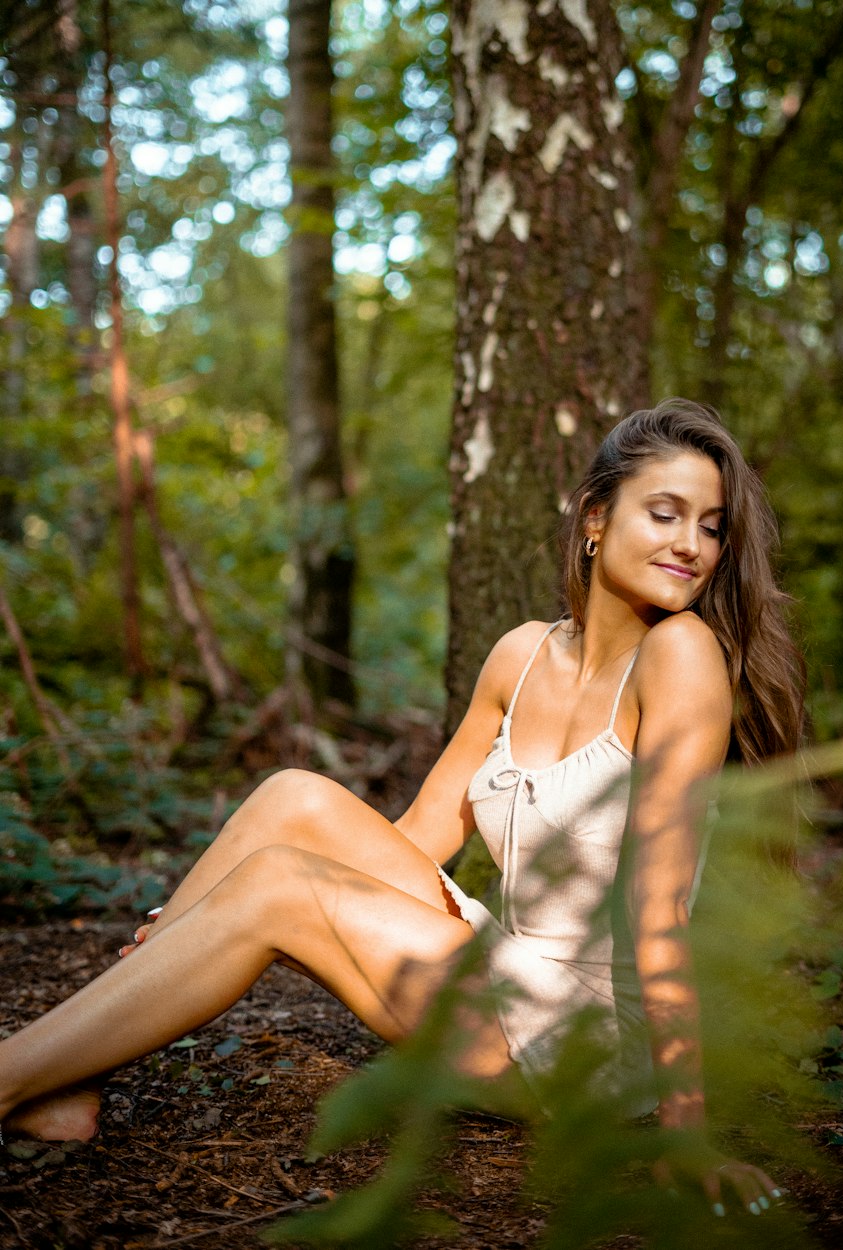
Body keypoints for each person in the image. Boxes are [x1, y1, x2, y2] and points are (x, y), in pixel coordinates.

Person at [0, 398, 802, 1217]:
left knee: (279, 884)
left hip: (594, 1037)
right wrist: (207, 912)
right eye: (664, 514)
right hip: (506, 967)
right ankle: (72, 1077)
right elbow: (417, 840)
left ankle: (10, 1076)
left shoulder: (683, 657)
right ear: (595, 518)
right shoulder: (521, 655)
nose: (690, 546)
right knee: (294, 797)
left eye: (710, 528)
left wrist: (687, 1132)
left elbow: (660, 903)